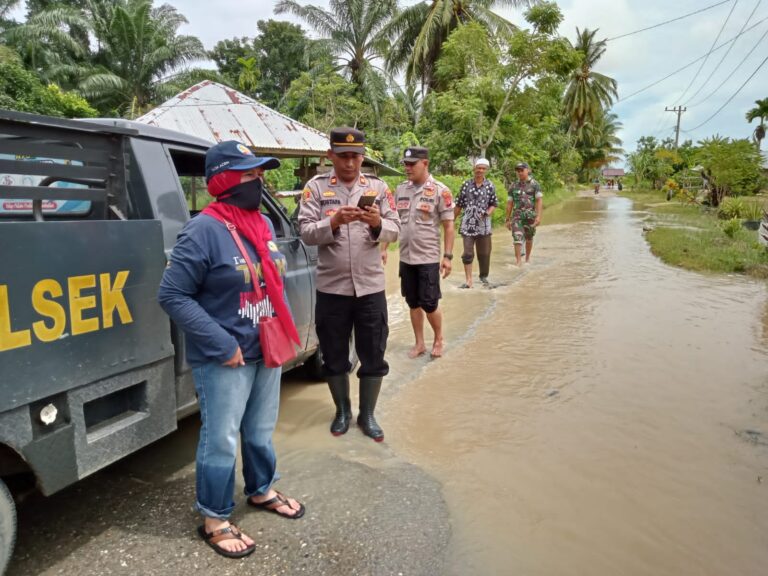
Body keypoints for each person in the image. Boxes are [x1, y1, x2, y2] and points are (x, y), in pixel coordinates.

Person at [158, 141, 305, 560]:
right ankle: (214, 517)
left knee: (260, 430)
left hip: (266, 347)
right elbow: (172, 295)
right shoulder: (202, 230)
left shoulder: (260, 223)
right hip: (226, 355)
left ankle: (260, 489)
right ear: (223, 180)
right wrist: (220, 341)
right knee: (220, 438)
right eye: (249, 174)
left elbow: (272, 282)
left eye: (260, 173)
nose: (259, 181)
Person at [298, 127, 400, 442]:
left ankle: (367, 415)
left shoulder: (379, 188)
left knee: (373, 354)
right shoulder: (315, 189)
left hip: (370, 289)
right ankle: (342, 411)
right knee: (333, 355)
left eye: (356, 156)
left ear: (362, 156)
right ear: (330, 155)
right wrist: (334, 221)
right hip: (332, 289)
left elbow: (396, 231)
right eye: (343, 156)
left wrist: (376, 224)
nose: (350, 163)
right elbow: (305, 232)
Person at [384, 146, 455, 359]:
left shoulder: (441, 191)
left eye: (411, 164)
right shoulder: (401, 190)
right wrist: (384, 247)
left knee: (430, 302)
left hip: (428, 257)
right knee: (413, 301)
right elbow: (392, 222)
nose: (407, 168)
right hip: (406, 257)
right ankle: (419, 343)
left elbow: (449, 226)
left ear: (425, 163)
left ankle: (439, 338)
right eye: (405, 164)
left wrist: (448, 257)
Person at [455, 158, 498, 288]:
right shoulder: (466, 185)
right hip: (468, 225)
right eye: (478, 168)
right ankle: (469, 281)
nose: (480, 170)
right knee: (468, 253)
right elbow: (459, 204)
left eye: (483, 168)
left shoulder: (490, 186)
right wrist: (451, 220)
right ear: (474, 169)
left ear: (486, 170)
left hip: (484, 225)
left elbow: (494, 204)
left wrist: (487, 213)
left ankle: (483, 277)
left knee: (484, 254)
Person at [505, 162, 543, 266]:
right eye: (518, 171)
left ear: (528, 170)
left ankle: (527, 259)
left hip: (530, 216)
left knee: (529, 238)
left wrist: (538, 216)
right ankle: (518, 262)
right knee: (517, 237)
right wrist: (507, 219)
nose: (520, 172)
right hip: (517, 216)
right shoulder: (513, 186)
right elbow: (509, 203)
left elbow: (539, 200)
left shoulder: (535, 184)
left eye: (522, 170)